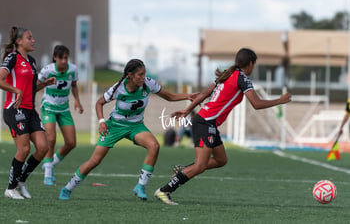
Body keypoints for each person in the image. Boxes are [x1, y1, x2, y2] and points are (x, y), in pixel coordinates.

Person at [154, 48, 292, 205]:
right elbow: (257, 104)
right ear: (251, 64)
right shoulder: (242, 79)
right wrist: (279, 100)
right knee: (200, 166)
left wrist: (187, 110)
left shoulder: (227, 74)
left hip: (206, 122)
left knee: (221, 160)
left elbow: (205, 93)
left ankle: (183, 171)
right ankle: (164, 191)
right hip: (205, 123)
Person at [59, 59, 198, 201]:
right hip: (115, 126)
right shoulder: (118, 88)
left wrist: (186, 96)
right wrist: (101, 121)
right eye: (140, 75)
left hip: (136, 126)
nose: (143, 77)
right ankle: (67, 188)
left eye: (145, 74)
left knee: (154, 146)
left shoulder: (148, 83)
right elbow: (99, 103)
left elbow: (169, 96)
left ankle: (140, 186)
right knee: (94, 160)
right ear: (130, 75)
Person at [0, 26, 55, 200]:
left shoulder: (33, 61)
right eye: (29, 38)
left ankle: (21, 180)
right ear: (19, 41)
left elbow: (31, 88)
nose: (33, 40)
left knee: (44, 146)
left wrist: (45, 84)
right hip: (14, 109)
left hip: (30, 110)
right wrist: (16, 91)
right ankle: (10, 189)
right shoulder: (12, 58)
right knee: (25, 148)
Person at [37, 45, 84, 186]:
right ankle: (48, 174)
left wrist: (77, 100)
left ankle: (50, 163)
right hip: (48, 107)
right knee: (51, 139)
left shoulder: (73, 70)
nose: (64, 61)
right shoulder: (47, 70)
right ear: (55, 58)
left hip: (64, 109)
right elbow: (37, 84)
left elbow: (74, 85)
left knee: (71, 143)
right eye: (61, 58)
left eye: (66, 58)